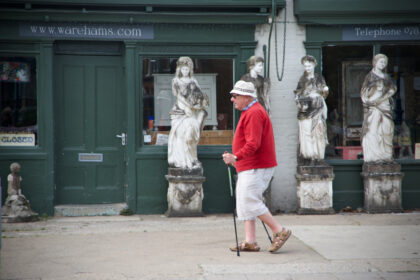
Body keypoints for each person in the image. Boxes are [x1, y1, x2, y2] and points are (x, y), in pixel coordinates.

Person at [222, 80, 291, 253]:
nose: (232, 99)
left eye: (235, 96)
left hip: (256, 165)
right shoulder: (250, 111)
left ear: (246, 97)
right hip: (250, 165)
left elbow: (254, 143)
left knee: (250, 201)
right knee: (245, 202)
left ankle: (279, 231)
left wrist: (235, 156)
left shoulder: (253, 113)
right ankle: (250, 241)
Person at [167, 57, 209, 169]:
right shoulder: (175, 81)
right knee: (181, 136)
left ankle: (192, 158)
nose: (185, 71)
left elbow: (200, 95)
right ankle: (182, 161)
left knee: (191, 136)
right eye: (183, 69)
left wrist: (199, 104)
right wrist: (188, 107)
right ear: (179, 69)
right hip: (181, 110)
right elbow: (179, 96)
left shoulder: (193, 81)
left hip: (192, 112)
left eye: (187, 69)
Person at [361, 53, 396, 162]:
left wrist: (383, 97)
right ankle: (374, 156)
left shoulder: (386, 77)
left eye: (384, 62)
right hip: (374, 107)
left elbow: (393, 89)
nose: (383, 64)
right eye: (381, 62)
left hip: (384, 106)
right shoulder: (370, 76)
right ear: (375, 62)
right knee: (373, 130)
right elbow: (364, 92)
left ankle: (386, 155)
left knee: (387, 129)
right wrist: (368, 101)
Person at [294, 55, 329, 161]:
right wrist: (301, 101)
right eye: (305, 66)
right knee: (308, 133)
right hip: (307, 109)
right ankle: (311, 156)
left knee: (319, 132)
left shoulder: (319, 78)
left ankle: (319, 156)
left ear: (313, 65)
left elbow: (324, 94)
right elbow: (298, 94)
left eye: (309, 66)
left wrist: (325, 90)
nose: (307, 68)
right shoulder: (302, 80)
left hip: (318, 107)